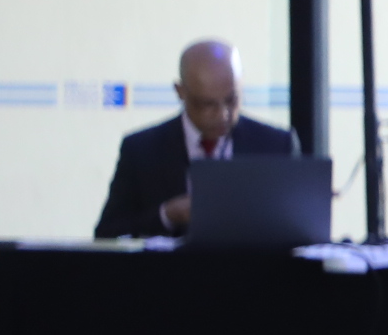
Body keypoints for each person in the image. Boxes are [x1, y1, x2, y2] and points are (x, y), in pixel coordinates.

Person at [95, 39, 296, 237]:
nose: (223, 115)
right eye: (207, 104)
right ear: (180, 92)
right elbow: (107, 234)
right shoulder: (141, 150)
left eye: (232, 100)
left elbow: (297, 231)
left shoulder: (277, 145)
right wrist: (167, 215)